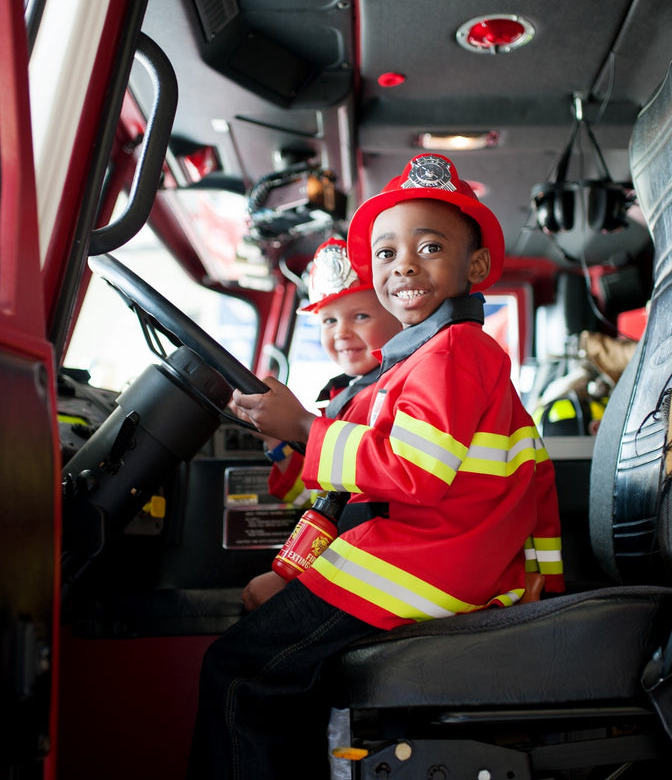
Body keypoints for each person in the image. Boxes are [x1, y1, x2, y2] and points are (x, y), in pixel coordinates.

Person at [188, 153, 564, 780]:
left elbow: (411, 473)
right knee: (284, 674)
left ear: (473, 267)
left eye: (429, 246)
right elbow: (352, 497)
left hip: (426, 563)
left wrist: (306, 429)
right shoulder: (421, 361)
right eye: (387, 254)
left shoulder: (453, 354)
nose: (405, 266)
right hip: (428, 554)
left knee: (240, 671)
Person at [242, 238, 402, 611]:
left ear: (399, 314)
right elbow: (312, 495)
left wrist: (290, 575)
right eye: (329, 320)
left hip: (372, 560)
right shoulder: (343, 396)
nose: (341, 332)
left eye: (360, 316)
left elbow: (345, 506)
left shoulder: (392, 395)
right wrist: (275, 442)